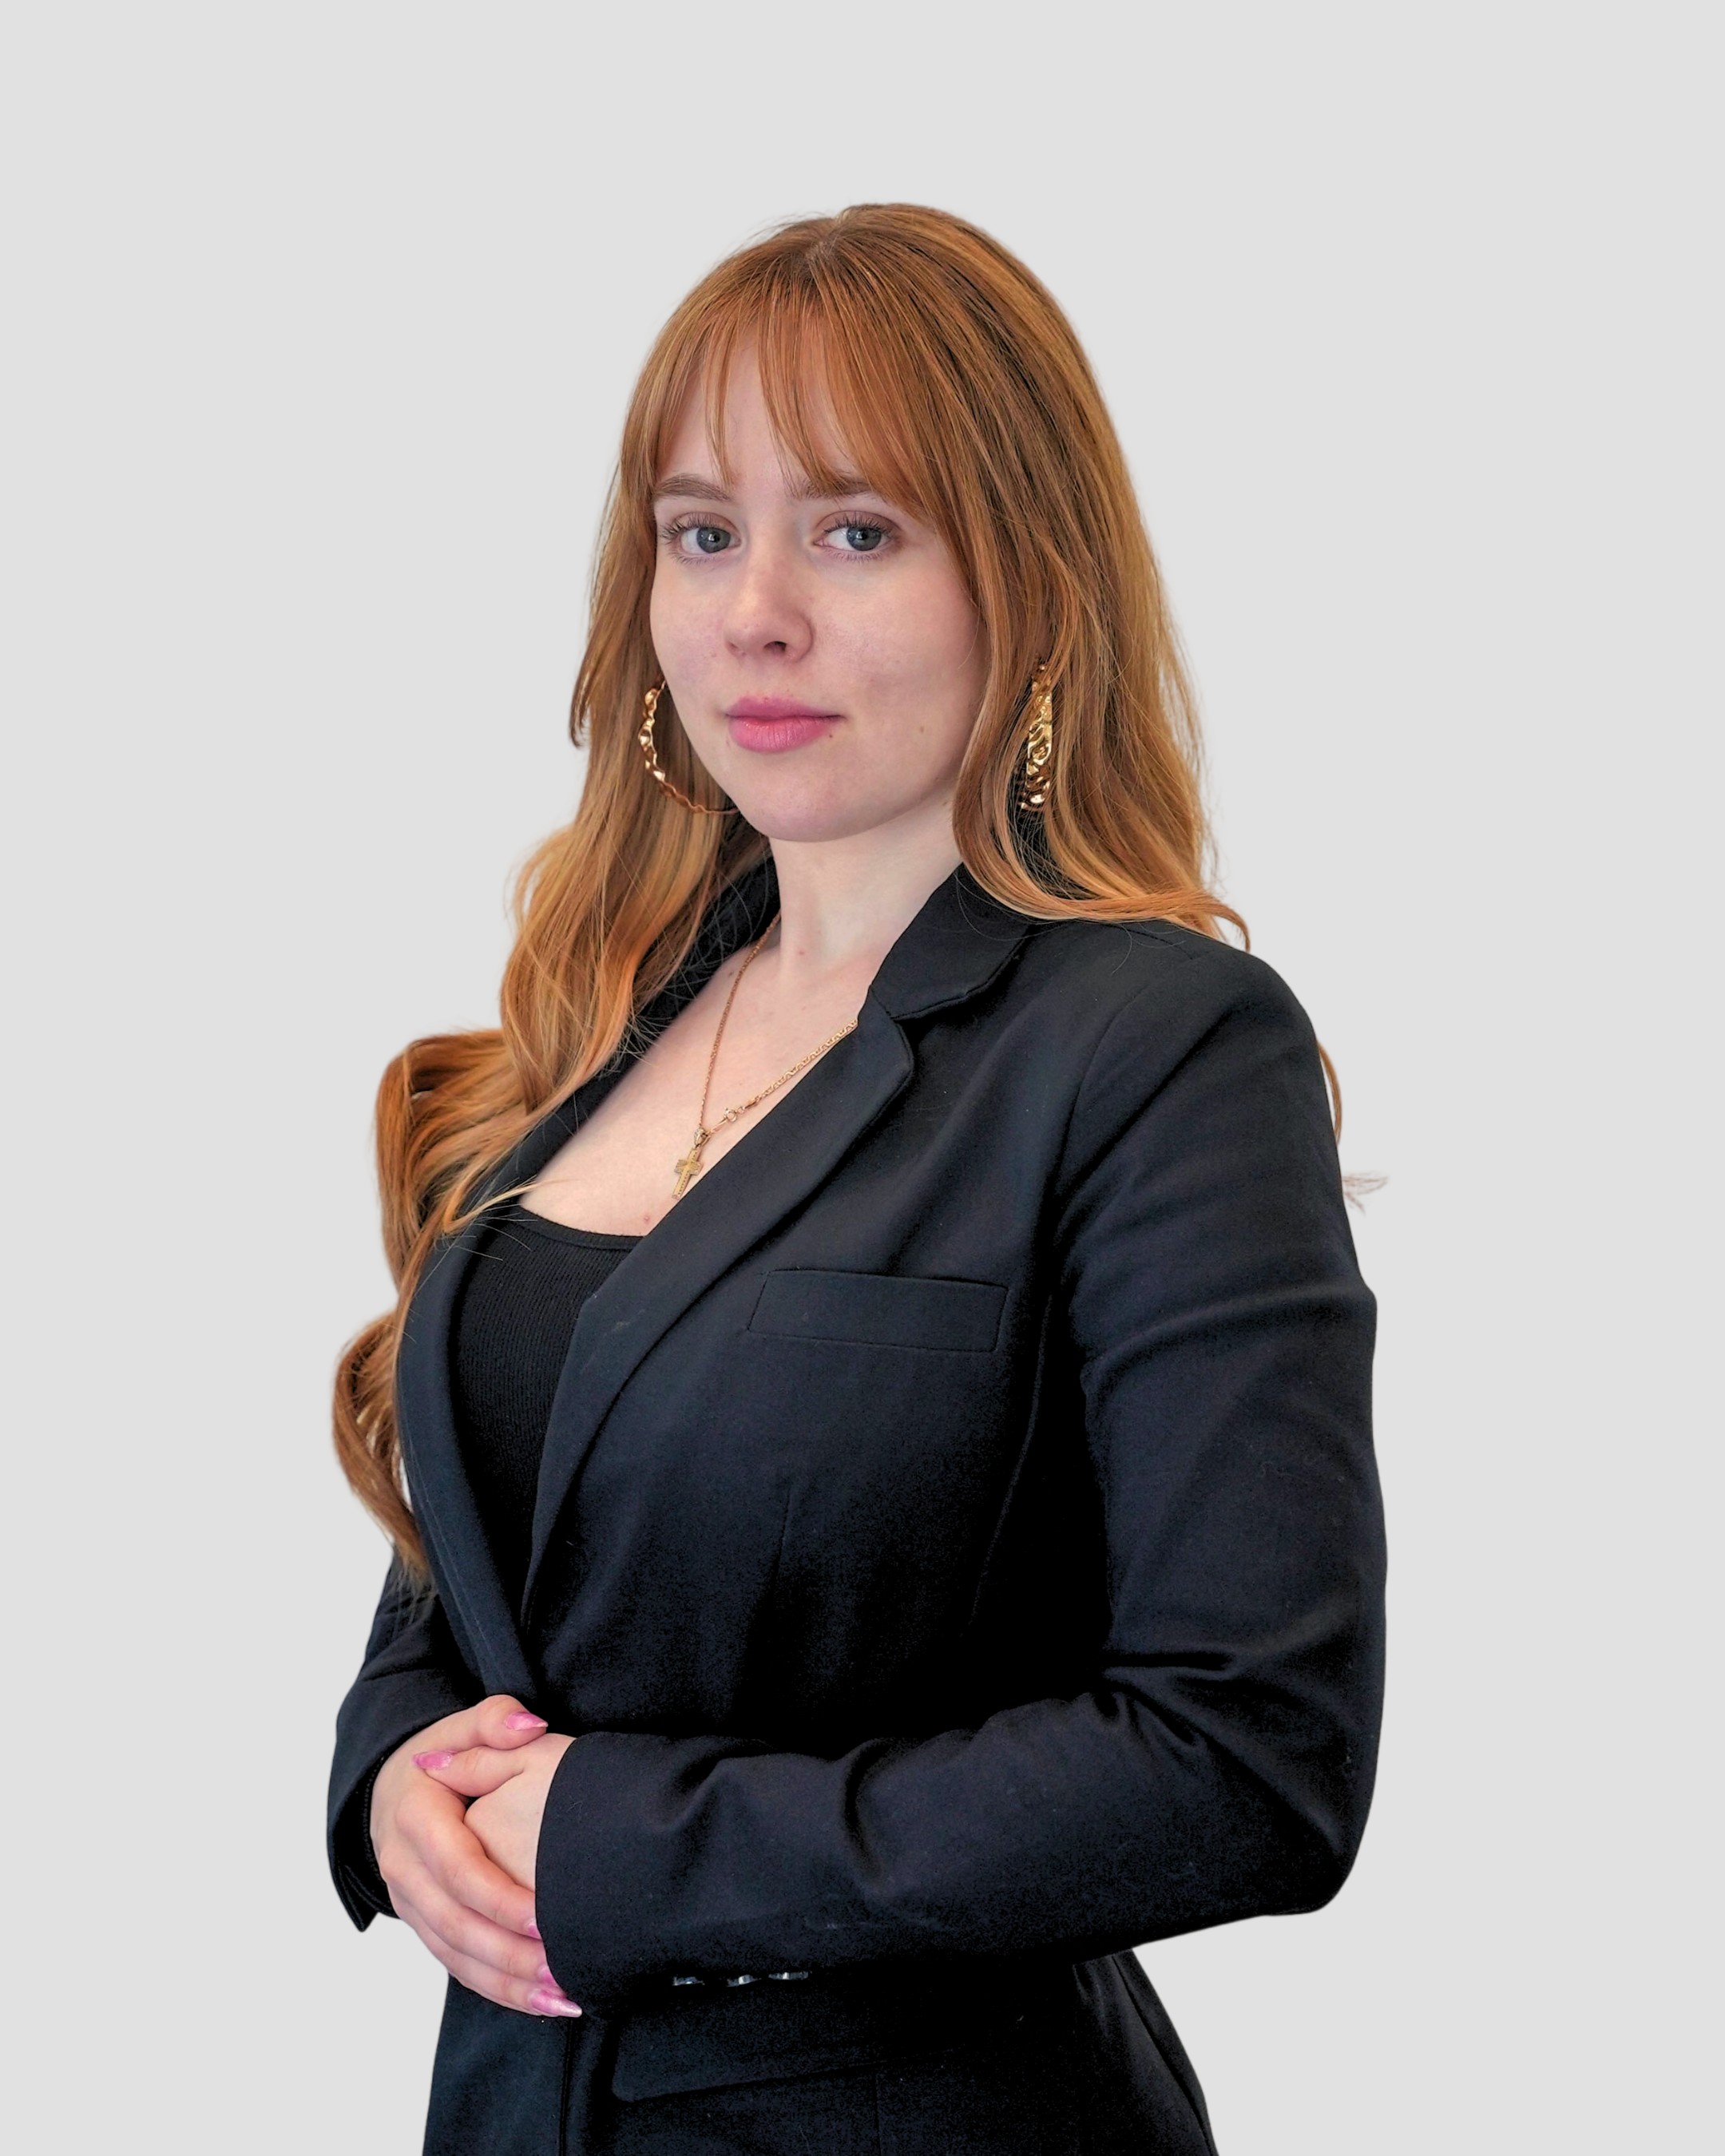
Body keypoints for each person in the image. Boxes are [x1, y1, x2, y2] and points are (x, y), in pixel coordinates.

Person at [327, 203, 1385, 2156]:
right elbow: (501, 1586)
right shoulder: (604, 1022)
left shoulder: (1156, 1048)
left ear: (1028, 580)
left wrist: (632, 1845)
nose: (757, 615)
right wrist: (392, 1772)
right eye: (703, 529)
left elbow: (1251, 1755)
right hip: (514, 2114)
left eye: (859, 531)